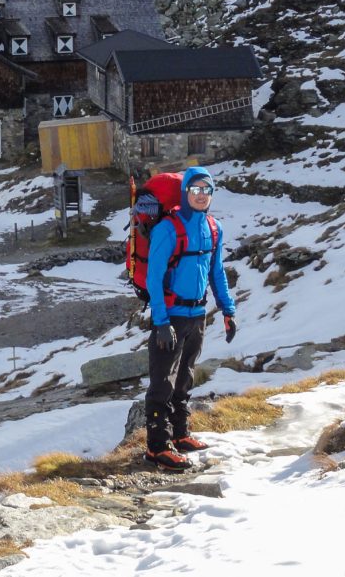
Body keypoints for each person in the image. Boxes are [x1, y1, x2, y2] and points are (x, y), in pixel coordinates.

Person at [143, 165, 236, 470]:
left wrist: (228, 310)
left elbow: (216, 272)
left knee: (184, 378)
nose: (201, 195)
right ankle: (157, 447)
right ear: (185, 192)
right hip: (170, 317)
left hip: (197, 315)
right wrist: (160, 322)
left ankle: (181, 434)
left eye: (206, 190)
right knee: (162, 383)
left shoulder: (213, 228)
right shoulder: (167, 229)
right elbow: (153, 279)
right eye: (195, 189)